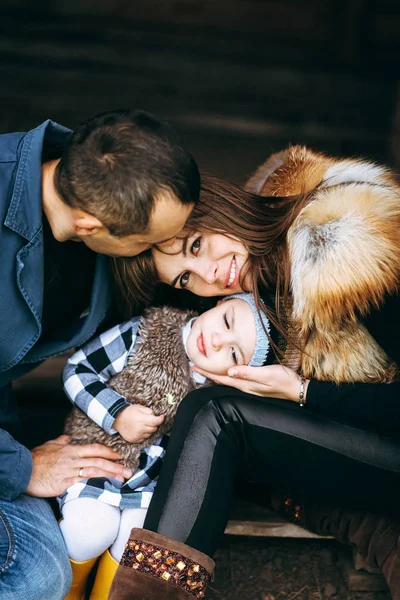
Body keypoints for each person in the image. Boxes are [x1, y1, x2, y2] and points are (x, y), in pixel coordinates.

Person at [109, 147, 400, 600]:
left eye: (196, 245)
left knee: (218, 415)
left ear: (220, 208)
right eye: (186, 279)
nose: (208, 275)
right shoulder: (259, 283)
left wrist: (305, 392)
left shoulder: (350, 252)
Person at [0, 108, 199, 600]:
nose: (165, 251)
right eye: (151, 243)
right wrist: (20, 468)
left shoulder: (100, 180)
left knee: (43, 576)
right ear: (90, 225)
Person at [59, 293, 271, 599]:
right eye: (225, 321)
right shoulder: (145, 332)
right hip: (97, 457)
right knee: (90, 529)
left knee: (138, 548)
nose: (216, 342)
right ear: (219, 303)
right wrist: (116, 413)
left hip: (150, 483)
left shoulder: (216, 393)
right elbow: (77, 370)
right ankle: (66, 592)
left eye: (234, 354)